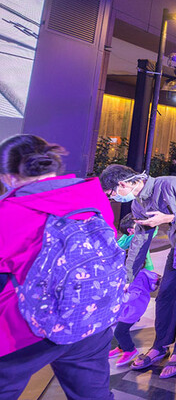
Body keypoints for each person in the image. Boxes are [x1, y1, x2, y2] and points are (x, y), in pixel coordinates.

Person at [0, 135, 121, 399]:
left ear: (8, 176)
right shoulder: (93, 195)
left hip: (28, 330)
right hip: (91, 320)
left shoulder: (11, 210)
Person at [100, 164, 176, 379]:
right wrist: (128, 277)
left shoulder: (171, 184)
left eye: (111, 194)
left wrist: (170, 218)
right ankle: (161, 345)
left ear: (122, 184)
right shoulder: (139, 205)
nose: (114, 199)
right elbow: (139, 240)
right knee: (165, 291)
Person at [111, 215, 159, 367]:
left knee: (119, 331)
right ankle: (121, 346)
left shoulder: (136, 276)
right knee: (119, 330)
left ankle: (130, 350)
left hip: (133, 308)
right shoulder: (128, 242)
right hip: (129, 307)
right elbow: (118, 245)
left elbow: (134, 296)